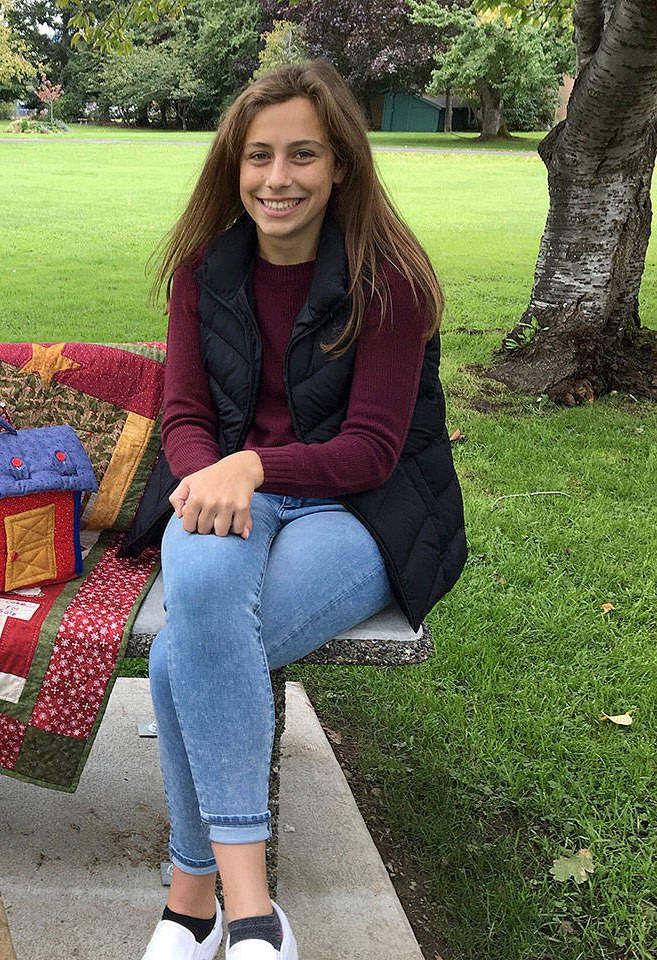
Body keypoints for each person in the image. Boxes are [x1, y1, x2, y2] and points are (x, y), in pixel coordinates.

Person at [126, 60, 467, 960]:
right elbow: (185, 415)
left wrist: (250, 463)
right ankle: (251, 914)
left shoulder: (389, 281)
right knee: (200, 600)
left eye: (303, 156)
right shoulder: (203, 273)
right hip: (233, 493)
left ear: (342, 165)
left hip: (360, 509)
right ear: (233, 167)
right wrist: (209, 476)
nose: (278, 179)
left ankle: (193, 898)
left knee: (180, 656)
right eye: (259, 157)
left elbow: (372, 450)